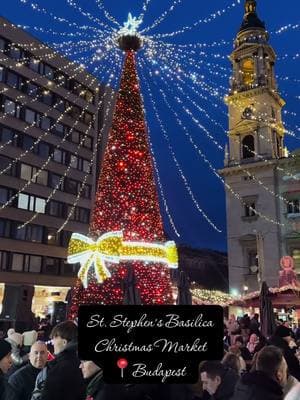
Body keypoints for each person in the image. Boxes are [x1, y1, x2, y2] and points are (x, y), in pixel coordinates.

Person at [36, 320, 85, 400]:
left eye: (55, 337)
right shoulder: (82, 363)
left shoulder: (59, 368)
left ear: (64, 342)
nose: (53, 342)